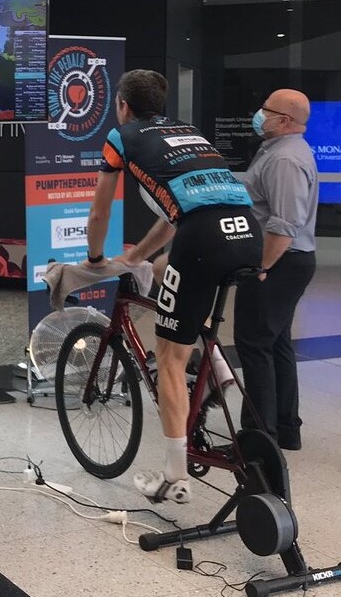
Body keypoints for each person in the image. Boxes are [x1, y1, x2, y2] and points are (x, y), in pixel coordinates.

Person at [84, 69, 261, 504]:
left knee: (168, 356)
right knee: (165, 268)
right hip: (246, 234)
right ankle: (216, 365)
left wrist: (95, 259)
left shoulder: (122, 137)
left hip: (203, 241)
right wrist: (137, 257)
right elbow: (173, 216)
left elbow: (99, 213)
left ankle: (174, 477)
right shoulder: (188, 131)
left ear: (122, 105)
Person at [234, 89, 318, 451]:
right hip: (285, 262)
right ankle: (285, 429)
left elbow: (284, 224)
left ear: (284, 120)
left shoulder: (285, 159)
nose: (259, 114)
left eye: (265, 109)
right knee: (276, 342)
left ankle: (258, 438)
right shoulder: (278, 149)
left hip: (278, 262)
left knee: (253, 345)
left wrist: (262, 266)